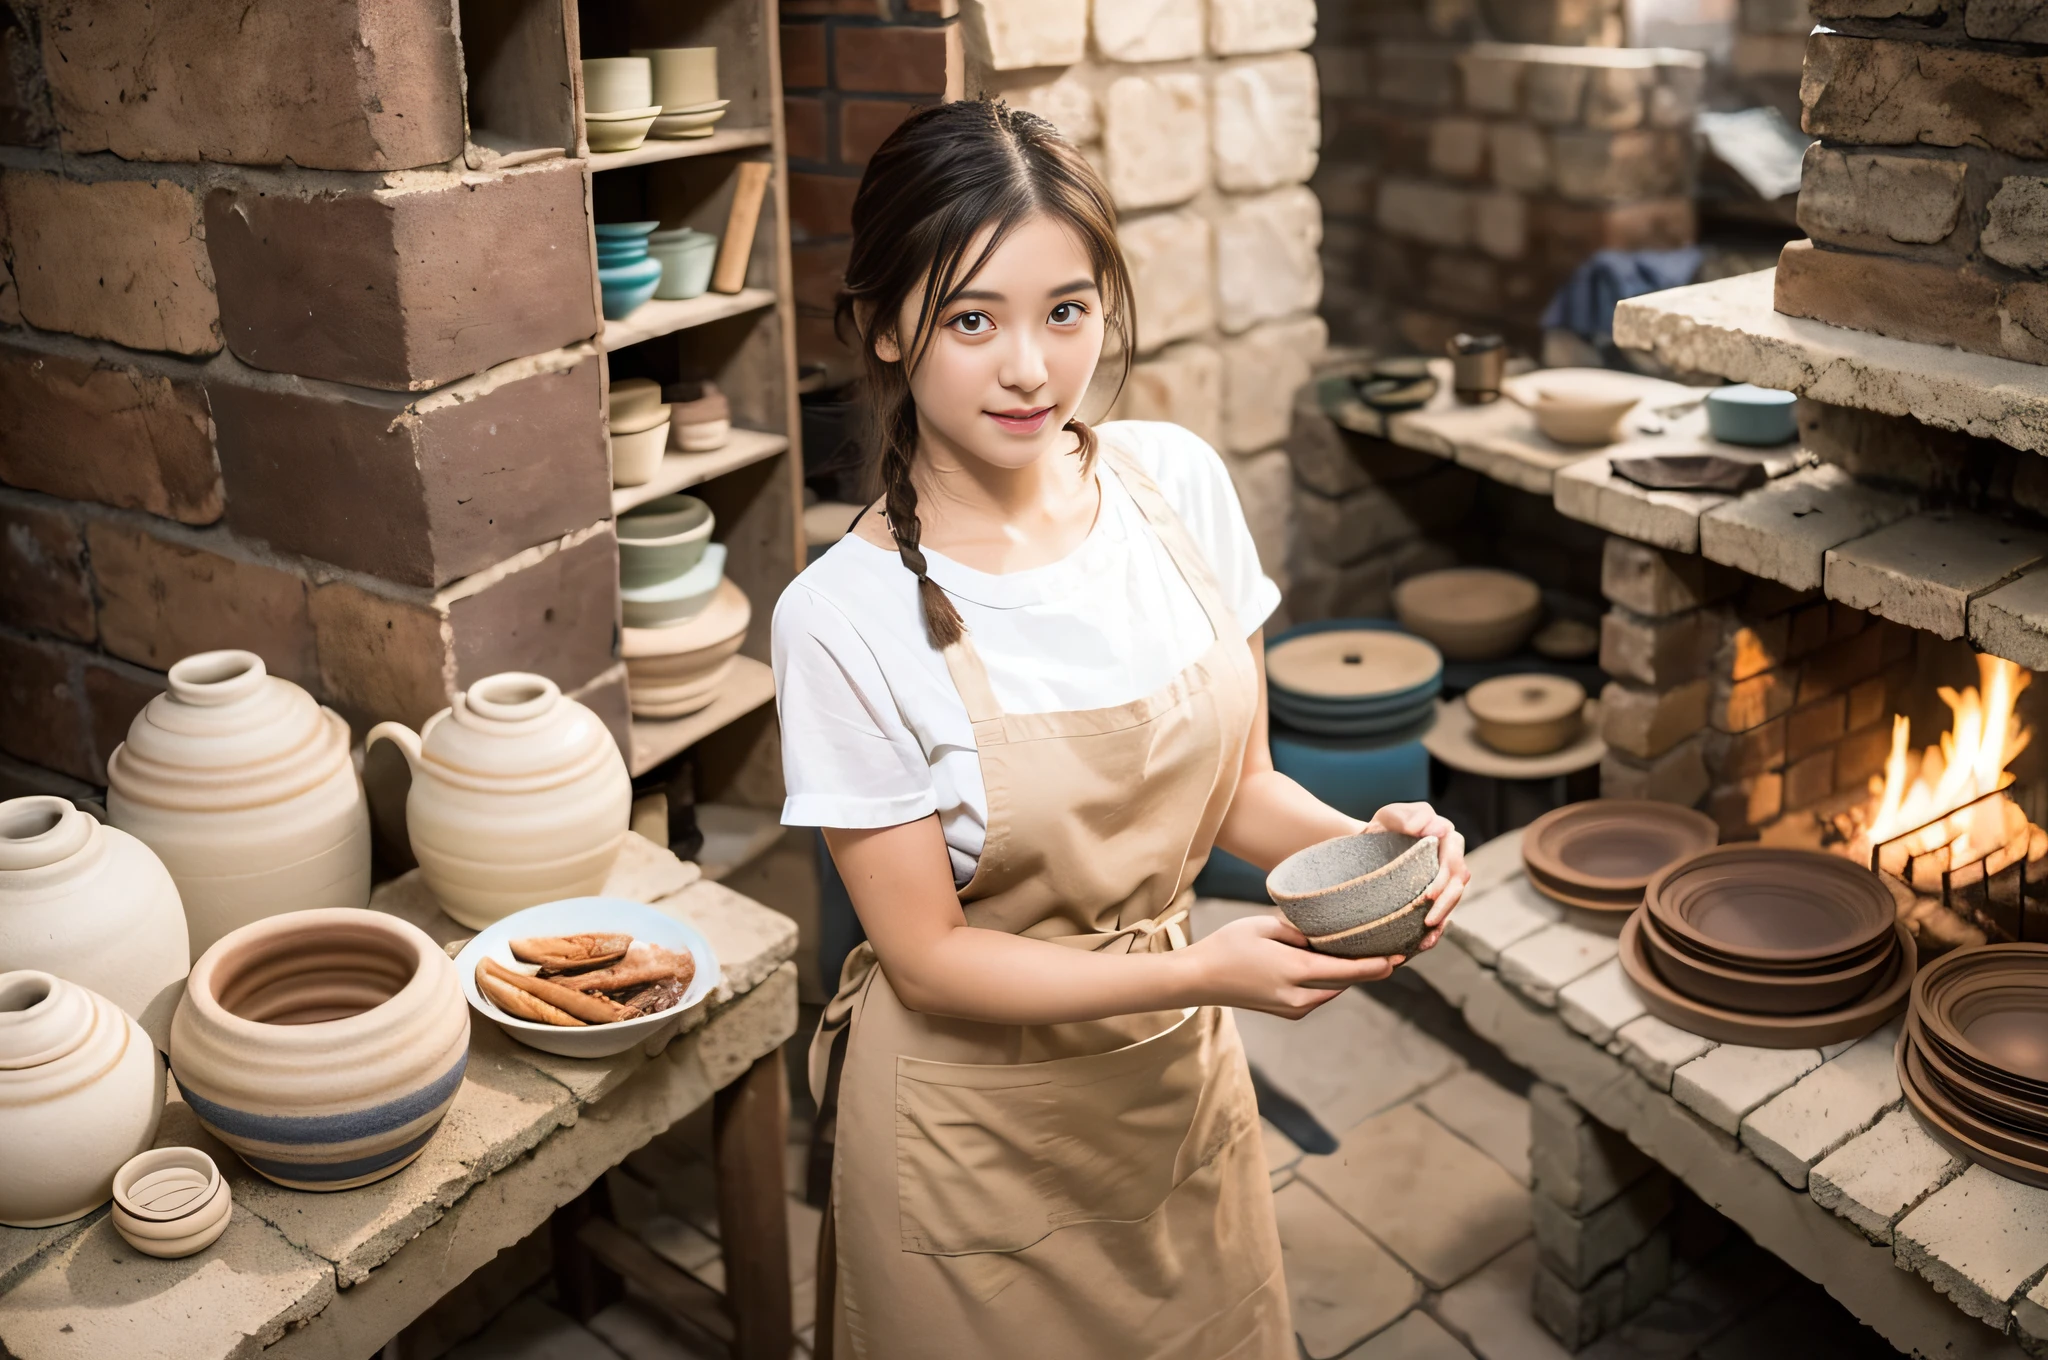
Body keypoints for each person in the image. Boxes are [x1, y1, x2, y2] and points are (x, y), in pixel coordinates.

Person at [770, 99, 1472, 1360]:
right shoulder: (838, 617)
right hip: (964, 1132)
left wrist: (1363, 843)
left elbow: (1236, 786)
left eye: (1066, 310)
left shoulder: (1176, 486)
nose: (1031, 368)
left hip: (1163, 1086)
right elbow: (927, 958)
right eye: (970, 318)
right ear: (882, 325)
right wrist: (1204, 970)